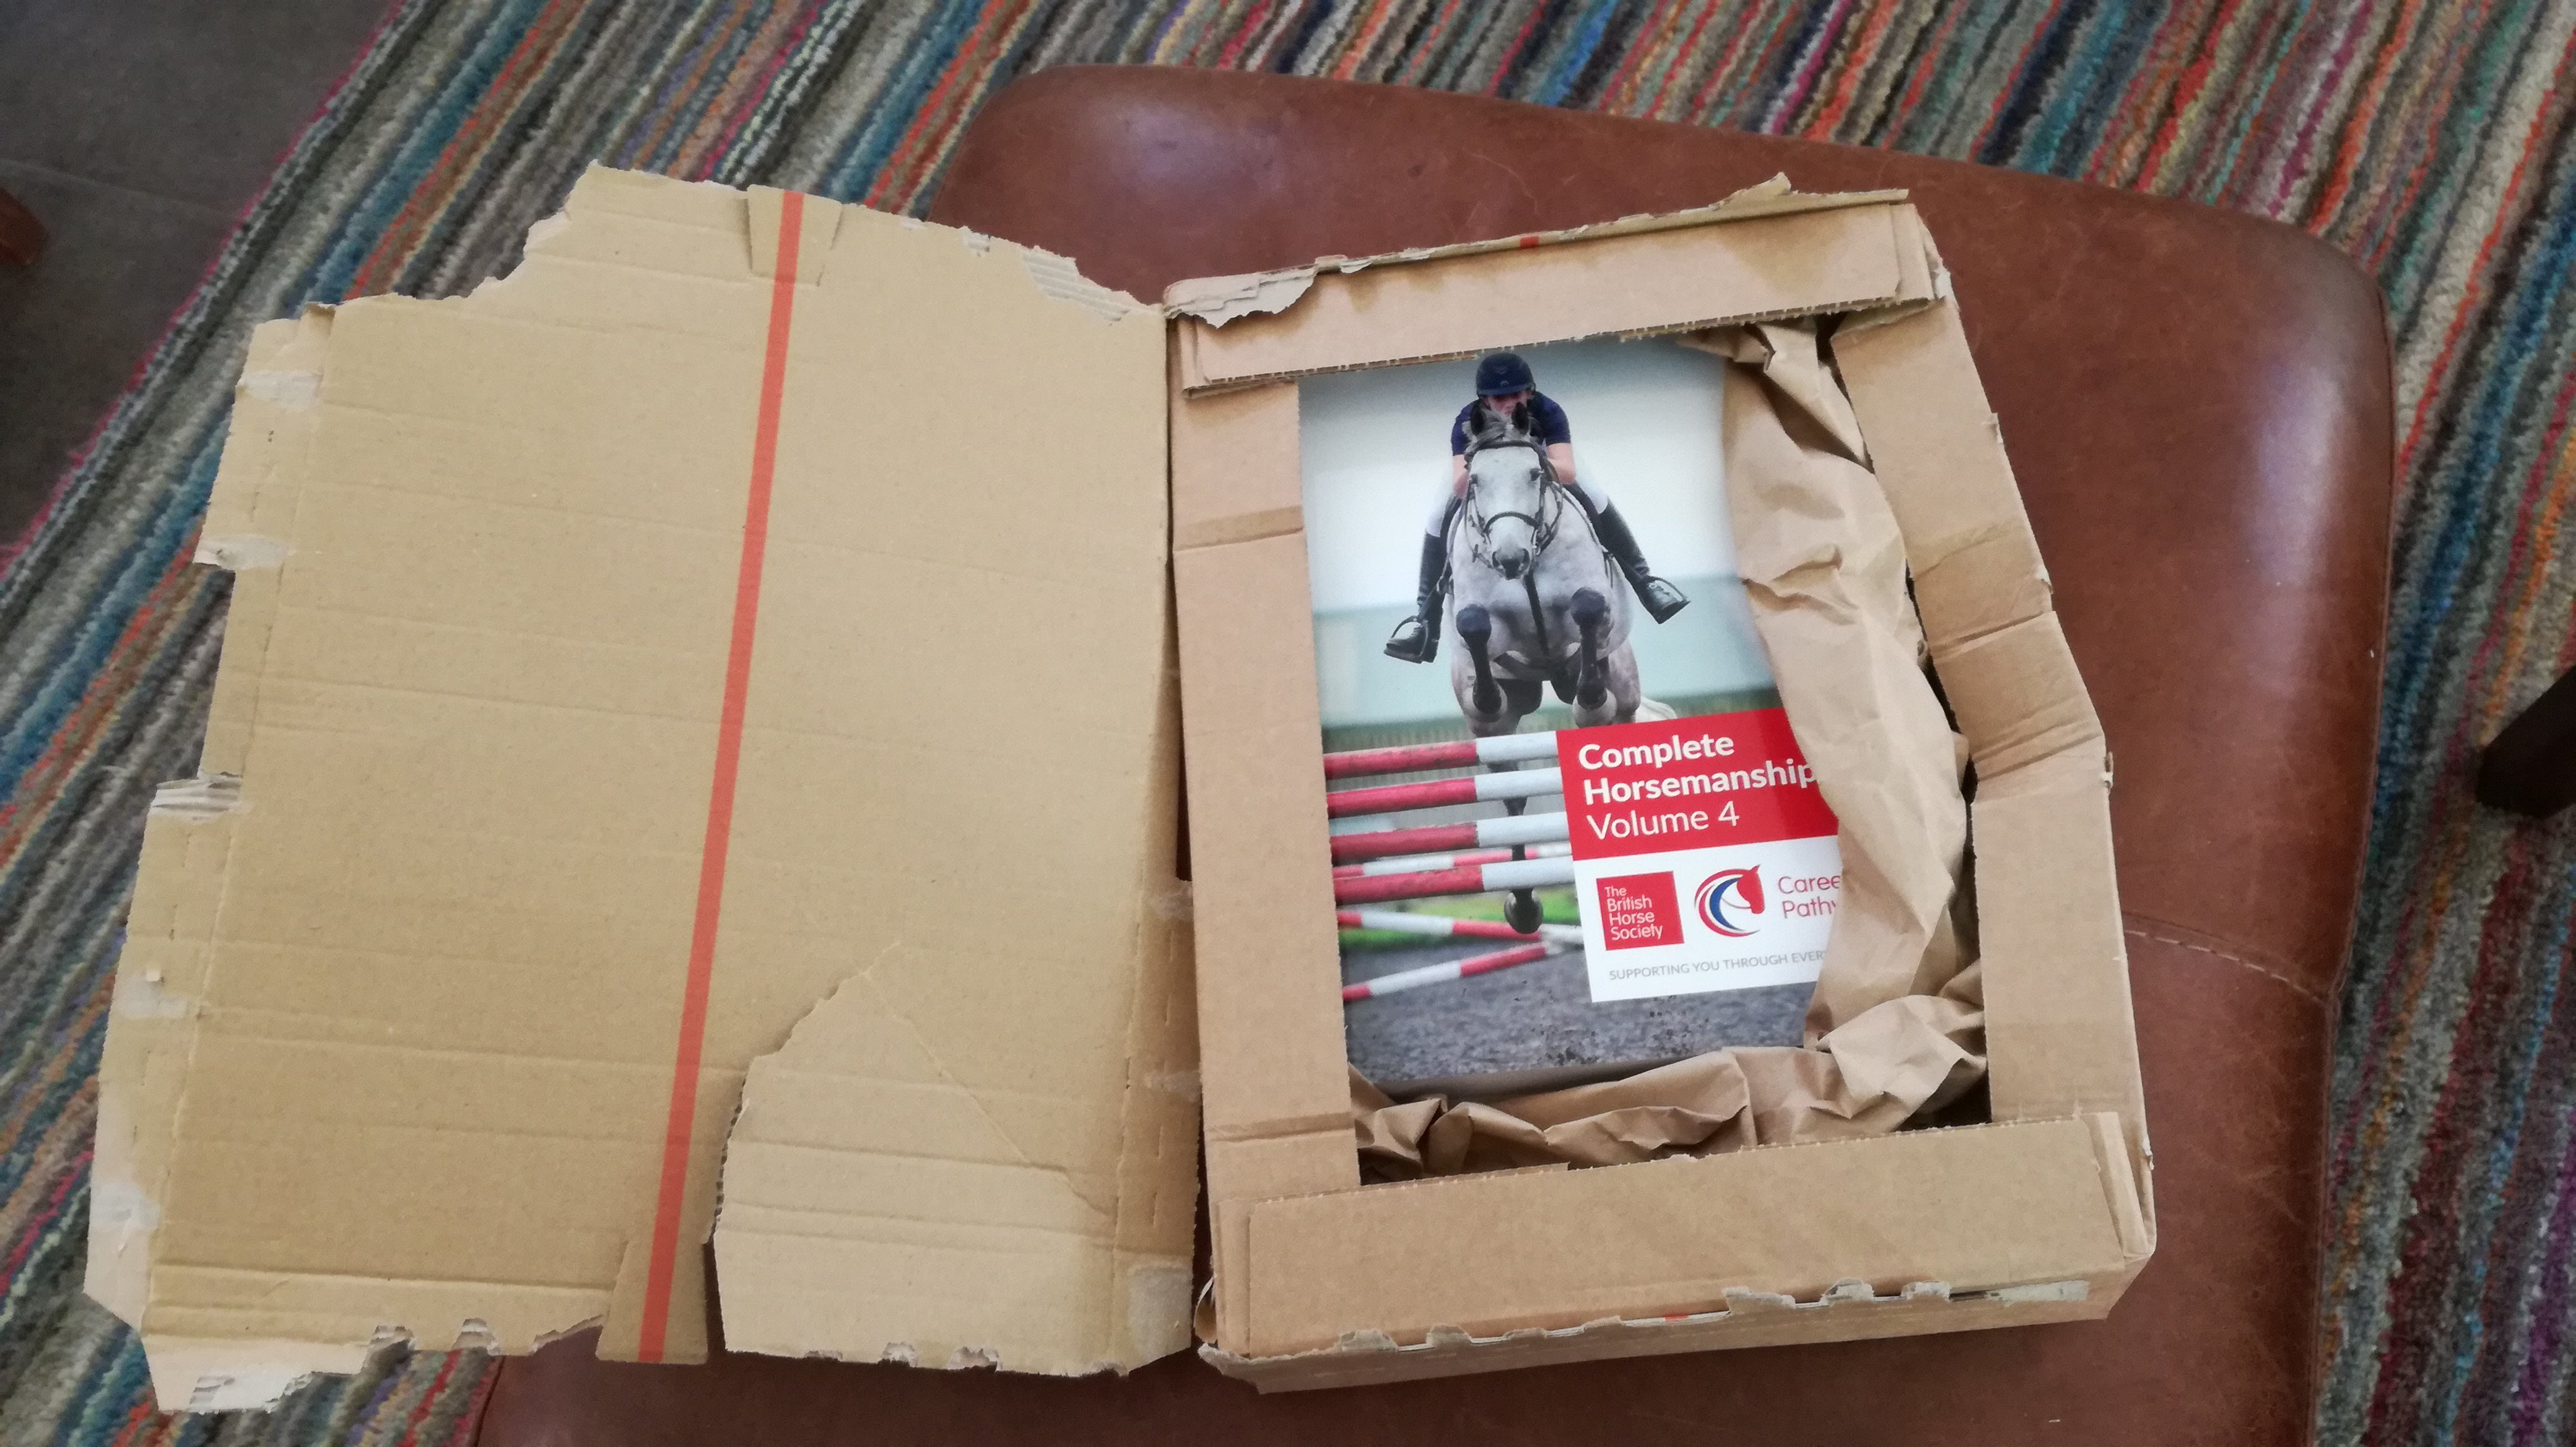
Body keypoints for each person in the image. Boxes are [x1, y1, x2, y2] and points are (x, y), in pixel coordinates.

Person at [1384, 351, 1689, 663]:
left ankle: (1646, 583)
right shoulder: (1467, 420)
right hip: (1488, 474)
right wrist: (1484, 464)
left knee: (1595, 495)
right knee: (1438, 516)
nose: (1508, 403)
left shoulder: (1548, 411)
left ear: (1529, 392)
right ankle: (1424, 622)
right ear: (1485, 400)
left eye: (1516, 395)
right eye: (1499, 398)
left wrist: (1526, 461)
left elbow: (1567, 472)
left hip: (1542, 465)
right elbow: (1461, 488)